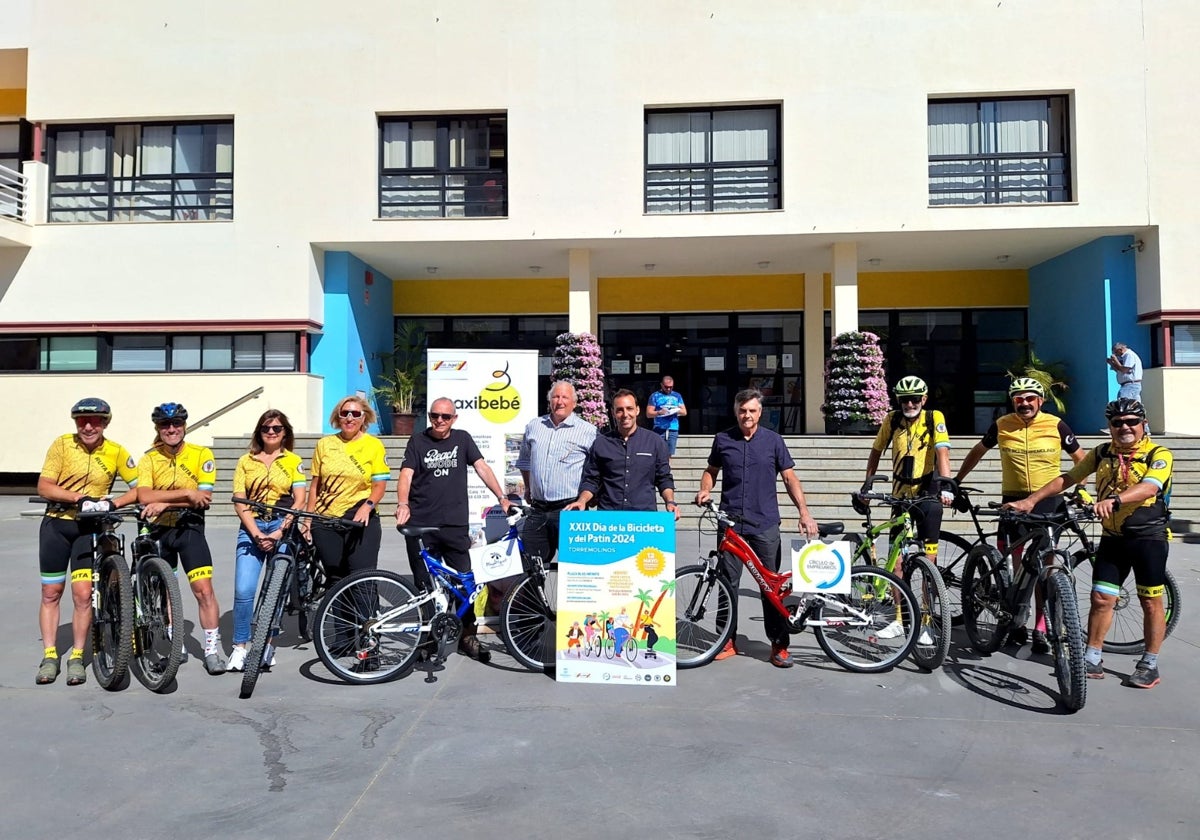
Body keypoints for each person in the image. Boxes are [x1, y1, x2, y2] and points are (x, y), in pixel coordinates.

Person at [1008, 398, 1172, 689]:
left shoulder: (1158, 454)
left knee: (1150, 601)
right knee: (1101, 598)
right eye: (1117, 422)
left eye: (1132, 421)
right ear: (1109, 427)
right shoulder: (1102, 452)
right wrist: (1030, 500)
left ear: (1143, 424)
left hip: (1148, 538)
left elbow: (1150, 486)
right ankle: (1092, 656)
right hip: (1113, 539)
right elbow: (1069, 477)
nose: (1125, 427)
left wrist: (1115, 500)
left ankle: (1149, 663)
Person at [955, 377, 1085, 653]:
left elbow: (1081, 460)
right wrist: (956, 480)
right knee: (1013, 568)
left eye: (1029, 398)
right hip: (1013, 501)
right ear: (1012, 401)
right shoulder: (1002, 425)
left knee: (1044, 569)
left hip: (1048, 502)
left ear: (1040, 401)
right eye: (1018, 398)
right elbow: (978, 450)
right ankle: (1016, 621)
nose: (1024, 403)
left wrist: (1082, 490)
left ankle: (1041, 627)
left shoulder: (1056, 425)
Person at [694, 388, 819, 668]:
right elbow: (711, 471)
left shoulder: (773, 441)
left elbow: (789, 478)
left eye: (752, 410)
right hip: (731, 525)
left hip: (764, 524)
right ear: (736, 412)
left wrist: (804, 512)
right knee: (728, 582)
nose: (747, 415)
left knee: (771, 586)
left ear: (760, 413)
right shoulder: (723, 439)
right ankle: (726, 639)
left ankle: (779, 644)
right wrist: (704, 489)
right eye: (742, 411)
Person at [396, 397, 512, 662]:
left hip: (454, 524)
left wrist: (502, 497)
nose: (439, 421)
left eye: (445, 417)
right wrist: (403, 504)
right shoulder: (417, 441)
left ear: (454, 419)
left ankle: (467, 636)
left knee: (465, 582)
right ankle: (427, 641)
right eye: (434, 415)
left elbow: (482, 467)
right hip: (421, 524)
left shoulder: (462, 439)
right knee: (425, 585)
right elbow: (406, 474)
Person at [34, 398, 139, 686]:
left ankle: (77, 657)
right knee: (51, 592)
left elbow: (139, 487)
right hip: (57, 524)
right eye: (82, 420)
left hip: (88, 529)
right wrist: (78, 498)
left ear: (105, 423)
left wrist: (113, 502)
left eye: (95, 420)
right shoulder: (62, 444)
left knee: (82, 595)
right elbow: (44, 486)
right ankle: (50, 655)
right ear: (76, 423)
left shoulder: (116, 451)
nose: (88, 425)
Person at [137, 402, 227, 675]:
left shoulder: (201, 454)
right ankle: (178, 644)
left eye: (176, 424)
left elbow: (204, 498)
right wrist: (186, 494)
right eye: (165, 425)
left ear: (185, 426)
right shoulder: (149, 459)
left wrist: (165, 502)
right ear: (158, 429)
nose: (172, 429)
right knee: (166, 592)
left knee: (203, 590)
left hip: (189, 529)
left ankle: (211, 651)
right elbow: (144, 496)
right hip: (158, 531)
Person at [228, 410, 307, 673]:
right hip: (252, 526)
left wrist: (279, 532)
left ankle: (267, 644)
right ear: (258, 432)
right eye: (266, 428)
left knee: (277, 589)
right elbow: (239, 499)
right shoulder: (245, 461)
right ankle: (240, 647)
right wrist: (257, 534)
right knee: (244, 590)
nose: (271, 432)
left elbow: (299, 500)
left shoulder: (293, 460)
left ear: (285, 432)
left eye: (276, 428)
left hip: (281, 525)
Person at [862, 376, 954, 567]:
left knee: (930, 558)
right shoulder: (892, 419)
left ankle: (929, 596)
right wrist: (868, 483)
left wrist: (946, 486)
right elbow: (876, 451)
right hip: (900, 495)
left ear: (924, 399)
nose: (909, 404)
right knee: (896, 560)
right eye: (904, 399)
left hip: (928, 492)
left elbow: (943, 453)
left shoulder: (933, 417)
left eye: (914, 399)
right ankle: (899, 597)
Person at [307, 396, 388, 592]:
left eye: (356, 414)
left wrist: (367, 506)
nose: (350, 418)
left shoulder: (373, 445)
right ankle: (341, 624)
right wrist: (308, 520)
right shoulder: (324, 444)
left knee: (362, 581)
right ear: (338, 417)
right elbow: (315, 486)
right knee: (336, 581)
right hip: (326, 521)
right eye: (345, 413)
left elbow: (379, 486)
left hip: (359, 520)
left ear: (364, 418)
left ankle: (367, 622)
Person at [515, 381, 597, 568]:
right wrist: (528, 488)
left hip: (570, 510)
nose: (559, 401)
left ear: (574, 403)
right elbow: (525, 461)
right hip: (538, 510)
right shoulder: (535, 426)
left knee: (576, 570)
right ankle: (536, 599)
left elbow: (596, 470)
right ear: (549, 400)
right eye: (555, 397)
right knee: (531, 570)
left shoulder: (588, 432)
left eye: (565, 397)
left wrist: (589, 497)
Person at [565, 389, 679, 517]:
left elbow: (663, 478)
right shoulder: (601, 443)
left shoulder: (655, 442)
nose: (625, 414)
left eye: (629, 408)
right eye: (619, 410)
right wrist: (582, 501)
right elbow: (591, 480)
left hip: (644, 519)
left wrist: (670, 501)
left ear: (637, 410)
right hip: (609, 518)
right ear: (613, 413)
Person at [646, 375, 687, 457]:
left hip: (673, 427)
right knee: (658, 452)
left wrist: (674, 411)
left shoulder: (677, 396)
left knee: (669, 453)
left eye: (671, 387)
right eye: (666, 387)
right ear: (661, 385)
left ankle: (667, 468)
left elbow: (684, 412)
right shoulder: (655, 396)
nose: (668, 389)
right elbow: (648, 413)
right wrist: (659, 412)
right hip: (659, 428)